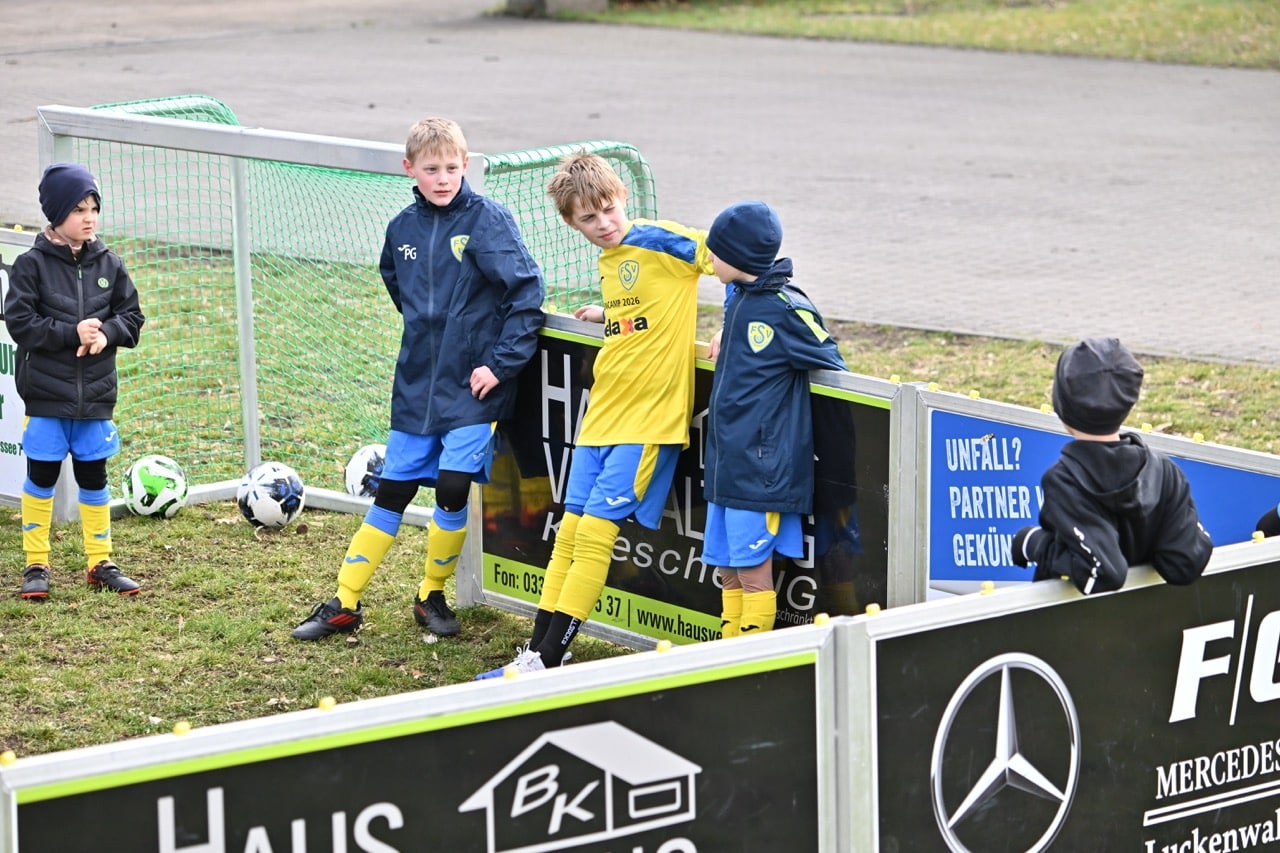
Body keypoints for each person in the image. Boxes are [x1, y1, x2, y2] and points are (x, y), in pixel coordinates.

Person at [291, 117, 545, 640]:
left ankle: (431, 596)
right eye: (432, 169)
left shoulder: (489, 221)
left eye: (453, 167)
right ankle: (344, 602)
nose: (444, 177)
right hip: (417, 382)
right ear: (410, 169)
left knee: (452, 490)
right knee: (393, 491)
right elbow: (396, 283)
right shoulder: (402, 228)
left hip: (475, 387)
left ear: (466, 165)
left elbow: (527, 297)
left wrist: (498, 365)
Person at [476, 152, 714, 677]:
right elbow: (646, 312)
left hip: (647, 421)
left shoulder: (658, 239)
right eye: (588, 218)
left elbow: (729, 257)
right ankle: (535, 653)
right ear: (571, 223)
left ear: (621, 198)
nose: (602, 223)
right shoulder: (609, 263)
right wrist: (610, 315)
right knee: (569, 532)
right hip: (601, 416)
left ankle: (550, 657)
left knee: (595, 538)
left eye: (607, 209)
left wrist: (736, 326)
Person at [701, 201, 848, 637]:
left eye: (715, 250)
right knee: (727, 570)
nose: (709, 257)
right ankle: (724, 657)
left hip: (760, 471)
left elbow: (829, 354)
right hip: (727, 463)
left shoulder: (784, 307)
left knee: (752, 573)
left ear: (739, 258)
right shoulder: (742, 298)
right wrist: (726, 331)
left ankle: (751, 668)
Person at [5, 163, 146, 600]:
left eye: (94, 208)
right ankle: (35, 564)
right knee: (41, 478)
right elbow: (21, 323)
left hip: (96, 401)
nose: (89, 217)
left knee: (94, 478)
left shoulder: (110, 263)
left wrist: (107, 333)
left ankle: (99, 562)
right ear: (54, 215)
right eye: (78, 209)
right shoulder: (30, 266)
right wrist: (72, 333)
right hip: (47, 399)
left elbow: (133, 318)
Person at [1010, 337, 1212, 594]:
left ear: (1062, 407)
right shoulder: (1164, 472)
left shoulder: (1065, 481)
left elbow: (1102, 573)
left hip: (1071, 627)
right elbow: (1185, 561)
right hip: (1146, 626)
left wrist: (1033, 543)